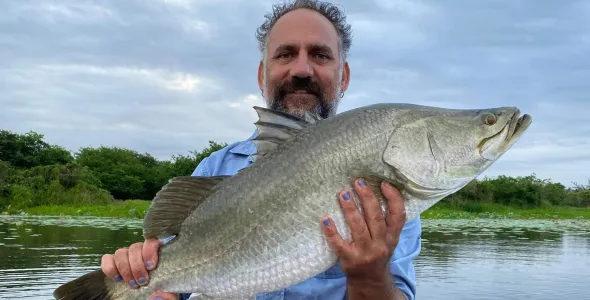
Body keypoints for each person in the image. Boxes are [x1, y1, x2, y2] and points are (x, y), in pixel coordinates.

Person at [100, 1, 422, 299]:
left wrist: (370, 275)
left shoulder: (387, 184)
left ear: (344, 76)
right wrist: (144, 277)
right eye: (285, 54)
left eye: (320, 55)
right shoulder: (215, 169)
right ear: (261, 74)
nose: (301, 70)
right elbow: (172, 284)